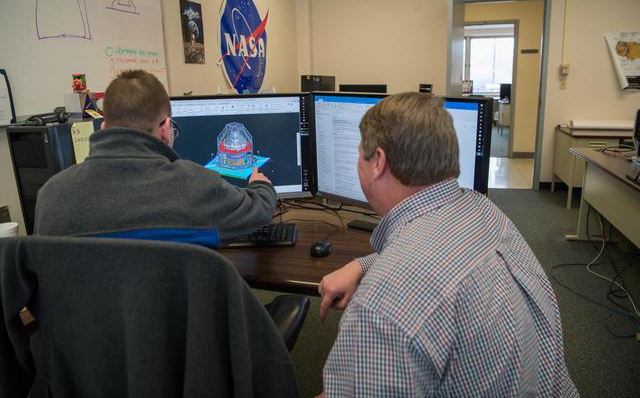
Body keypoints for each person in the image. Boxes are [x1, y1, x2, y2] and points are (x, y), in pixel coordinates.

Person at [317, 93, 577, 396]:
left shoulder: (379, 307)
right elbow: (443, 259)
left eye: (358, 151)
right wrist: (362, 266)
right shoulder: (483, 210)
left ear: (378, 162)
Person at [34, 70, 276, 244]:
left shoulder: (51, 195)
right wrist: (260, 186)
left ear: (103, 127)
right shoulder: (196, 186)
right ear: (166, 127)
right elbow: (258, 210)